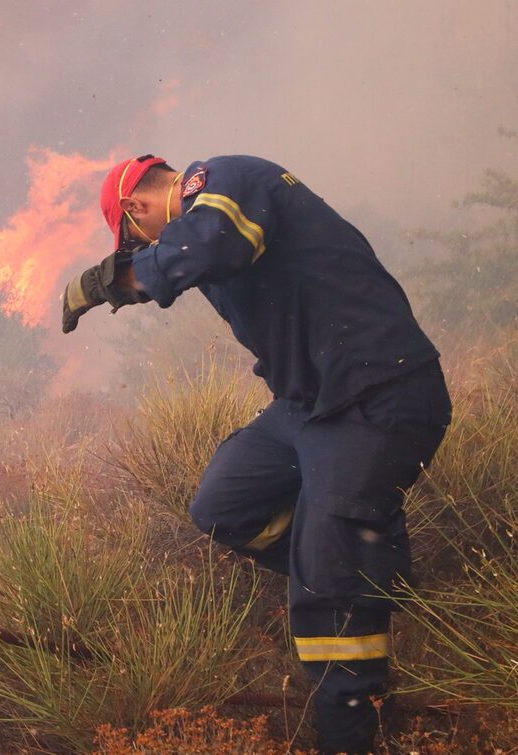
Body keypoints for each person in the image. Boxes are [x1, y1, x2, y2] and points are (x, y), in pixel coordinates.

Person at [62, 154, 450, 754]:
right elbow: (191, 256)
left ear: (137, 209)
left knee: (325, 591)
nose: (143, 249)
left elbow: (209, 245)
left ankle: (356, 734)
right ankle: (367, 568)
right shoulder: (201, 226)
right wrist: (134, 277)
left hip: (378, 396)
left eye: (136, 240)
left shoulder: (225, 181)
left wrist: (108, 280)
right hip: (307, 405)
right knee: (225, 505)